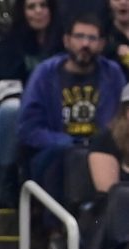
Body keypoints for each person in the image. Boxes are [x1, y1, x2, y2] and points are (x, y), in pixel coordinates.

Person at [18, 14, 123, 218]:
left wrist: (95, 145)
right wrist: (67, 142)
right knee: (68, 156)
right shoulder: (45, 73)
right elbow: (28, 129)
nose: (85, 44)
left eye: (92, 39)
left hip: (100, 151)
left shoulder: (113, 73)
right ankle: (56, 232)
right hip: (52, 152)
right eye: (79, 37)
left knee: (90, 158)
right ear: (66, 40)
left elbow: (119, 120)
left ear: (102, 44)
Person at [0, 0, 62, 206]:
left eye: (43, 6)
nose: (38, 12)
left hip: (58, 111)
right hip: (21, 109)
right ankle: (6, 176)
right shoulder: (11, 42)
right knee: (10, 111)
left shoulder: (65, 41)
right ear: (23, 11)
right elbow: (2, 83)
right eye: (31, 7)